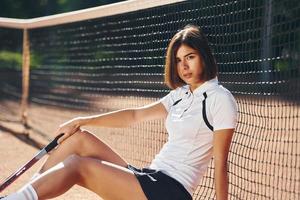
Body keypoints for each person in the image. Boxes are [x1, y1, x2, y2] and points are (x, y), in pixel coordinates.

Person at [1, 24, 237, 200]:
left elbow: (221, 164)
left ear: (204, 57)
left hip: (170, 191)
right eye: (178, 60)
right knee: (80, 139)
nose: (183, 66)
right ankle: (22, 196)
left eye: (190, 57)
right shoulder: (181, 94)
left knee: (77, 165)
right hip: (149, 177)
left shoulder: (220, 99)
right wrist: (83, 120)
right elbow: (135, 115)